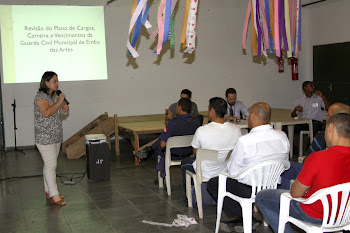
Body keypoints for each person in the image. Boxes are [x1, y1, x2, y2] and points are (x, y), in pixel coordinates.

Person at [256, 113, 350, 233]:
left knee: (262, 197)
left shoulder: (318, 158)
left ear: (331, 128)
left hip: (315, 214)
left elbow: (295, 193)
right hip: (344, 216)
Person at [207, 102, 289, 225]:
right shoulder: (282, 136)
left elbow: (233, 171)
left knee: (214, 183)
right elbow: (284, 163)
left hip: (249, 189)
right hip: (272, 186)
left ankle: (242, 216)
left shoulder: (245, 141)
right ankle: (247, 215)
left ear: (253, 116)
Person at [181, 97, 241, 204]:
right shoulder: (236, 130)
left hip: (206, 172)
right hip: (225, 170)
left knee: (185, 163)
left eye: (208, 109)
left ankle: (189, 198)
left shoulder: (202, 130)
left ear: (212, 111)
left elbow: (196, 152)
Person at [279, 103, 350, 190]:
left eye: (328, 115)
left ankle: (285, 199)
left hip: (320, 183)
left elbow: (308, 159)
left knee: (286, 169)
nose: (326, 117)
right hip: (341, 189)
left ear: (334, 121)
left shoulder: (322, 139)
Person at [34, 71, 69, 206]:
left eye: (57, 80)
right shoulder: (40, 97)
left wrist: (63, 109)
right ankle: (55, 195)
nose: (57, 83)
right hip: (45, 138)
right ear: (46, 82)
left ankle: (48, 191)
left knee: (49, 165)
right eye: (54, 81)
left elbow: (54, 113)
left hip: (55, 137)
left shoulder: (51, 97)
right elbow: (46, 113)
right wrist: (60, 101)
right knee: (51, 165)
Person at [145, 98, 201, 178]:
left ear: (179, 108)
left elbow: (162, 144)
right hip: (189, 153)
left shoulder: (172, 123)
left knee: (159, 146)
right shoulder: (196, 122)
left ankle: (162, 175)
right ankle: (149, 149)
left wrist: (169, 120)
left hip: (174, 154)